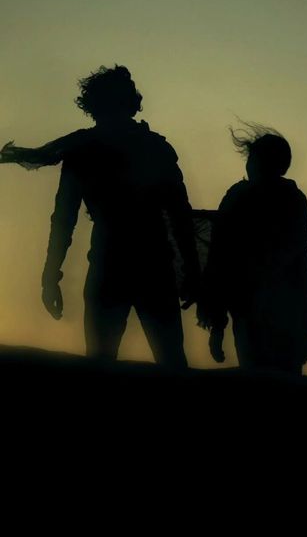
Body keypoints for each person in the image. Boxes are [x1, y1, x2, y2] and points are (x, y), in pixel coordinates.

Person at [0, 65, 200, 367]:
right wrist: (192, 271)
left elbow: (64, 218)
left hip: (110, 262)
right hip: (152, 263)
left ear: (92, 105)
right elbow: (180, 216)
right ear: (131, 102)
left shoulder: (84, 148)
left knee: (101, 362)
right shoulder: (155, 147)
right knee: (171, 361)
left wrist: (51, 275)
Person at [197, 123, 307, 375]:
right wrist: (306, 329)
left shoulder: (242, 197)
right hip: (274, 311)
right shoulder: (293, 200)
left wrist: (216, 324)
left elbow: (219, 260)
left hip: (260, 309)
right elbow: (303, 267)